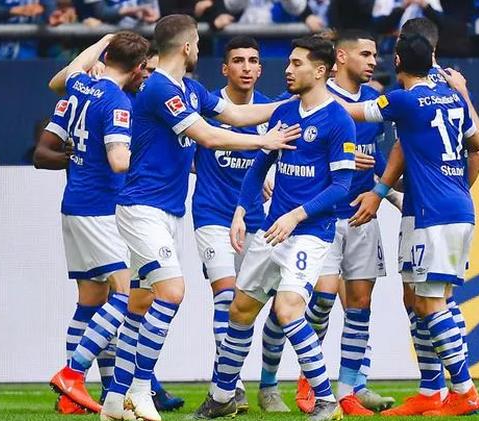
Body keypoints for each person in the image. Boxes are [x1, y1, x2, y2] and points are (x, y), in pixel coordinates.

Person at [100, 14, 300, 421]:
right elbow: (207, 135)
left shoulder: (189, 89)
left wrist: (293, 104)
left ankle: (114, 400)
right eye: (197, 44)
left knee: (140, 303)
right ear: (188, 47)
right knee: (172, 292)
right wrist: (264, 141)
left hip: (167, 211)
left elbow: (236, 115)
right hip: (142, 209)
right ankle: (139, 391)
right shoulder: (160, 88)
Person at [193, 35, 355, 421]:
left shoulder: (339, 121)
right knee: (240, 309)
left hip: (310, 234)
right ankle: (222, 396)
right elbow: (259, 168)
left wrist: (296, 215)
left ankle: (326, 401)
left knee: (287, 308)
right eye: (289, 63)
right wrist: (239, 212)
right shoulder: (284, 113)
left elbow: (341, 187)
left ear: (320, 71)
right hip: (271, 229)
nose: (288, 70)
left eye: (297, 63)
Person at [336, 32, 479, 416]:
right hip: (455, 206)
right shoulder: (452, 97)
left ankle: (464, 390)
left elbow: (352, 111)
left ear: (398, 62)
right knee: (426, 299)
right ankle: (433, 391)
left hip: (432, 213)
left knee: (432, 303)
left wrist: (308, 96)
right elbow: (476, 146)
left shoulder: (403, 100)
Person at [255, 29, 397, 417]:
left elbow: (381, 160)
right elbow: (276, 139)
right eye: (366, 54)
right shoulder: (310, 98)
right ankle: (300, 380)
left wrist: (384, 191)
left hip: (362, 216)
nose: (373, 61)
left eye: (375, 55)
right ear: (341, 58)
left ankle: (351, 389)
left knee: (361, 304)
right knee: (317, 301)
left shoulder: (374, 103)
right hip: (321, 220)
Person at [43, 31, 150, 415]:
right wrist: (151, 159)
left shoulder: (81, 84)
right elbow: (119, 161)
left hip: (74, 203)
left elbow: (62, 76)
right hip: (100, 209)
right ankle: (72, 373)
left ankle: (71, 400)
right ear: (138, 68)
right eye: (144, 70)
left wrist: (105, 39)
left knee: (91, 301)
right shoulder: (117, 102)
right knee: (126, 293)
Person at [191, 35, 271, 413]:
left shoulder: (268, 111)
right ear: (225, 68)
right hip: (212, 216)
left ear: (260, 68)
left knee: (246, 305)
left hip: (256, 220)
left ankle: (228, 380)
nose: (246, 67)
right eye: (238, 61)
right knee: (225, 297)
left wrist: (269, 178)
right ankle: (232, 386)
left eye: (252, 61)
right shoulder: (206, 106)